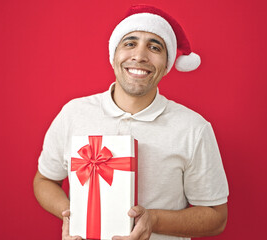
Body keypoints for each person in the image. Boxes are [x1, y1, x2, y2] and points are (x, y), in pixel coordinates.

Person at [33, 4, 229, 240]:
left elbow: (216, 217)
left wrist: (153, 220)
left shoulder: (193, 129)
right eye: (129, 43)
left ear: (166, 63)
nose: (140, 55)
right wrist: (72, 215)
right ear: (114, 55)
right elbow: (44, 180)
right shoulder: (73, 113)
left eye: (154, 47)